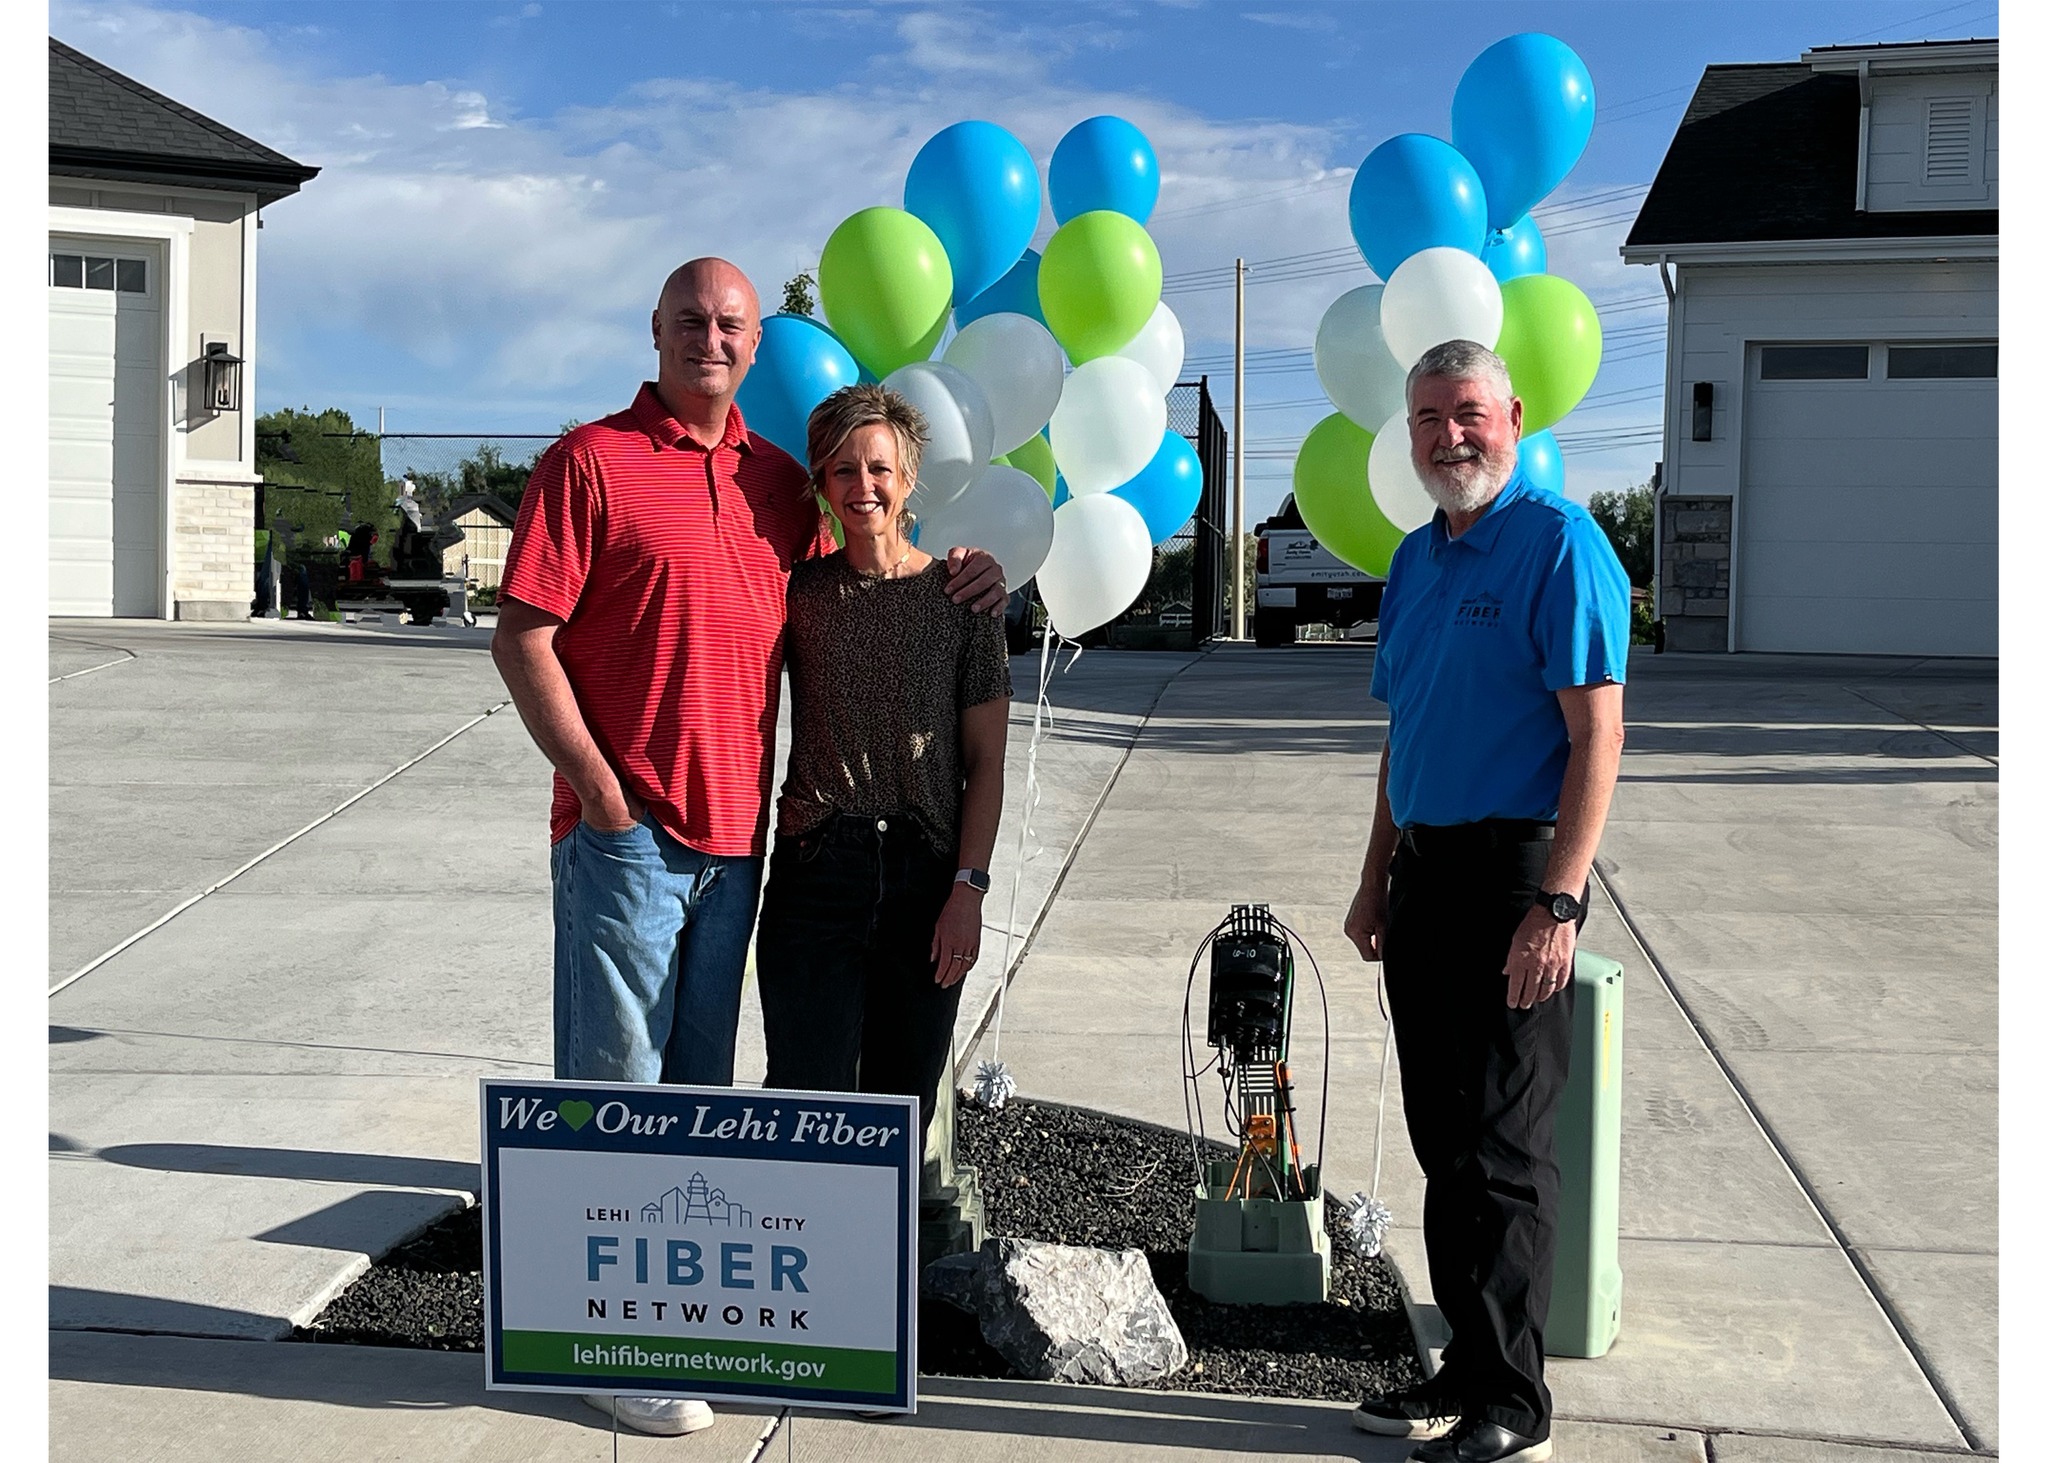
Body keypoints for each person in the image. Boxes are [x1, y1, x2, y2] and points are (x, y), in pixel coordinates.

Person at [491, 258, 1004, 1439]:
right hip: (630, 837)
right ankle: (608, 1346)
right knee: (610, 1091)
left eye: (730, 324)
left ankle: (687, 1320)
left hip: (738, 849)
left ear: (754, 343)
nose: (709, 340)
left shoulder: (775, 483)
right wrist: (598, 792)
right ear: (657, 330)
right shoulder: (591, 462)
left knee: (697, 1097)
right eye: (689, 322)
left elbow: (915, 623)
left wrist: (972, 567)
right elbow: (524, 637)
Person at [1343, 339, 1629, 1463]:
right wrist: (1373, 876)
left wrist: (1557, 901)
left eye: (1466, 413)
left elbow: (1595, 730)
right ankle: (1462, 1361)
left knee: (1505, 1144)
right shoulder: (1414, 560)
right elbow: (1398, 731)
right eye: (1425, 419)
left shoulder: (1557, 542)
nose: (1446, 436)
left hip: (1515, 874)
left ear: (1510, 415)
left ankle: (1513, 1403)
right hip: (1423, 874)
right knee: (1442, 1138)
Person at [754, 384, 1011, 1155]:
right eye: (841, 470)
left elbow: (987, 762)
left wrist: (968, 890)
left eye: (878, 468)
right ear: (820, 484)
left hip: (924, 879)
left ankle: (889, 1271)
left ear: (907, 478)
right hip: (816, 870)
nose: (861, 486)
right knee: (806, 1102)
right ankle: (809, 1262)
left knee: (901, 1107)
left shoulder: (962, 600)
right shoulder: (798, 595)